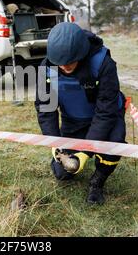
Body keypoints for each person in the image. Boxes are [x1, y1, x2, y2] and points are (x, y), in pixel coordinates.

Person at [34, 22, 127, 204]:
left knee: (114, 145)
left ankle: (97, 182)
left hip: (106, 118)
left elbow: (105, 112)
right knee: (63, 174)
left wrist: (86, 151)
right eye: (60, 63)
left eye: (70, 62)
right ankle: (65, 161)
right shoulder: (46, 68)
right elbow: (45, 108)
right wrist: (54, 143)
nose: (65, 67)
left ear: (81, 53)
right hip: (74, 120)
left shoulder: (103, 64)